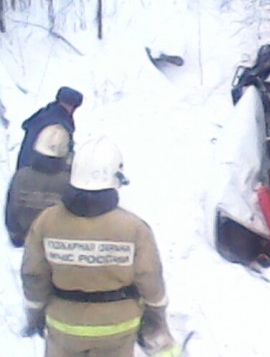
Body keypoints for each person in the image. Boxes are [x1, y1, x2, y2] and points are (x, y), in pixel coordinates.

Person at [21, 136, 181, 357]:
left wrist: (34, 312)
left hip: (64, 325)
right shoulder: (134, 228)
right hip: (118, 328)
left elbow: (33, 274)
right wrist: (157, 316)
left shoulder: (46, 222)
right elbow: (149, 276)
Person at [5, 124, 71, 247]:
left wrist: (17, 236)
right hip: (60, 246)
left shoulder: (20, 176)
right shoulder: (70, 181)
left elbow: (11, 214)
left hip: (26, 242)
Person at [16, 86, 83, 170]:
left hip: (25, 171)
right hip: (41, 173)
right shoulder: (59, 125)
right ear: (71, 106)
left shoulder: (44, 115)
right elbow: (59, 156)